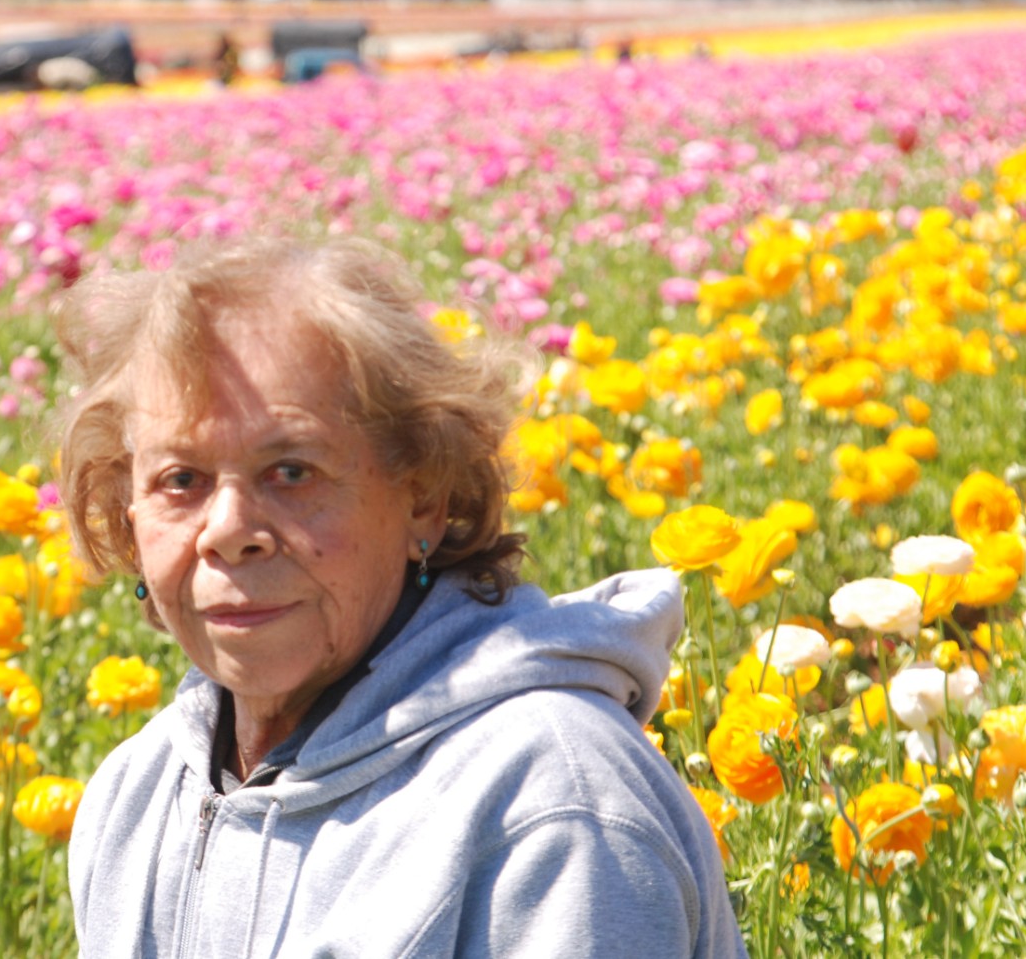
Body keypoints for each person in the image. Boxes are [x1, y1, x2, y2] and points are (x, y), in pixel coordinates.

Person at [59, 238, 745, 959]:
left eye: (292, 471)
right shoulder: (136, 793)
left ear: (423, 496)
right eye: (180, 480)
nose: (228, 531)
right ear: (125, 510)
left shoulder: (550, 801)